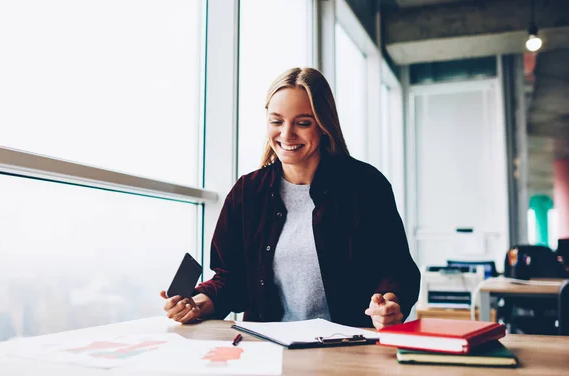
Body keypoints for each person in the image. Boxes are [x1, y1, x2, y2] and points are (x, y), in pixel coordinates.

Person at [161, 67, 420, 329]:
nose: (286, 134)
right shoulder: (247, 192)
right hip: (266, 346)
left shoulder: (366, 186)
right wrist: (196, 303)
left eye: (303, 122)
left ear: (323, 125)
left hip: (348, 345)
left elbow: (396, 270)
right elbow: (231, 280)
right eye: (276, 121)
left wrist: (389, 304)